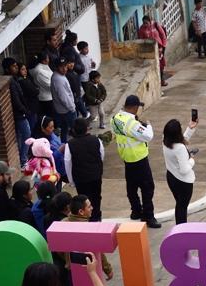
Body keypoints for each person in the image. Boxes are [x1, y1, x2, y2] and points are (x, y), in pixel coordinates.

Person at [112, 95, 160, 228]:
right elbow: (148, 136)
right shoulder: (131, 123)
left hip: (127, 159)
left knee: (131, 188)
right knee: (147, 188)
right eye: (138, 107)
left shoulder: (115, 119)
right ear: (133, 107)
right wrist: (148, 125)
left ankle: (136, 211)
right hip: (139, 159)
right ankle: (148, 216)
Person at [63, 118, 104, 222]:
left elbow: (67, 162)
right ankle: (97, 218)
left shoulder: (70, 144)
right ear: (87, 129)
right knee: (96, 197)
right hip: (95, 175)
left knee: (83, 200)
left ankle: (86, 220)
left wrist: (71, 180)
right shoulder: (96, 139)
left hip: (80, 177)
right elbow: (101, 155)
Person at [163, 117, 198, 225]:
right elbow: (184, 169)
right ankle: (181, 230)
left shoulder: (165, 141)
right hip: (183, 182)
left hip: (171, 177)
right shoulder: (180, 148)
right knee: (182, 207)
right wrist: (191, 160)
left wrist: (190, 128)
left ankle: (180, 229)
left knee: (179, 205)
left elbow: (182, 140)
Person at [2, 57, 32, 167]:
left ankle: (22, 159)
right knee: (27, 135)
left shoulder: (14, 79)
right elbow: (16, 100)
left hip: (20, 113)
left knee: (20, 136)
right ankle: (23, 160)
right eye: (13, 66)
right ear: (7, 69)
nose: (16, 68)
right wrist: (25, 111)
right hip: (19, 114)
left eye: (16, 66)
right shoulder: (11, 82)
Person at [50, 58, 76, 143]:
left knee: (64, 129)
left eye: (65, 66)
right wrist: (72, 107)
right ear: (57, 67)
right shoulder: (58, 79)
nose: (65, 69)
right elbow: (63, 97)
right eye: (61, 67)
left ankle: (64, 145)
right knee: (76, 130)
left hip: (63, 109)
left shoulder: (59, 76)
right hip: (66, 110)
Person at [30, 54, 55, 119]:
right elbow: (49, 85)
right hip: (46, 98)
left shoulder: (43, 67)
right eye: (48, 58)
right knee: (50, 116)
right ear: (44, 60)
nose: (49, 60)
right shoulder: (39, 71)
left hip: (49, 96)